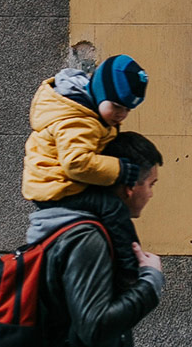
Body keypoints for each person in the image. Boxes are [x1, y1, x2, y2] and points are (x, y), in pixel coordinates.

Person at [26, 131, 164, 347]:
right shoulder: (88, 239)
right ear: (130, 188)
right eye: (151, 184)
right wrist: (150, 282)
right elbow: (95, 327)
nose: (151, 194)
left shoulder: (82, 229)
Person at [22, 55, 149, 281]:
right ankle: (132, 270)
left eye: (128, 110)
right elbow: (77, 164)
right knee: (113, 208)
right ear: (100, 91)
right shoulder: (78, 120)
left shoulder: (86, 109)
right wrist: (118, 169)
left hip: (59, 182)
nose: (121, 115)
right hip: (56, 188)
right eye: (117, 106)